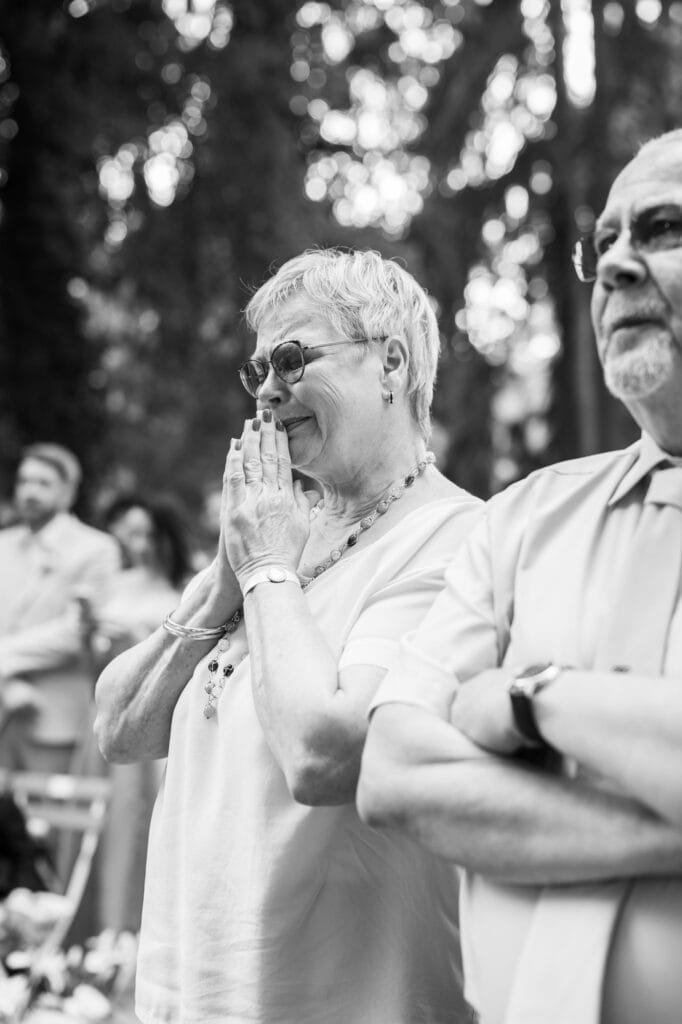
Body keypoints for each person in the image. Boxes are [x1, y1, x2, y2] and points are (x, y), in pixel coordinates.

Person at [94, 248, 482, 1024]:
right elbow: (119, 728)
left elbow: (323, 754)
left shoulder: (461, 542)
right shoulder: (276, 529)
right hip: (197, 993)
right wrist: (225, 579)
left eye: (293, 359)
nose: (268, 390)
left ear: (392, 363)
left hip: (342, 1002)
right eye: (258, 369)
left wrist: (265, 567)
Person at [358, 129, 682, 1024]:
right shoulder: (524, 518)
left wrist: (531, 696)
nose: (616, 267)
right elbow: (394, 775)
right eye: (602, 244)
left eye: (661, 228)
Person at [86, 495, 192, 933]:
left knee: (140, 820)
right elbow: (93, 665)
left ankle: (133, 928)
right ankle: (94, 926)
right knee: (98, 821)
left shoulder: (187, 588)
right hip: (102, 713)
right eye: (133, 535)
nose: (141, 545)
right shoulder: (116, 584)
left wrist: (135, 637)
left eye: (150, 535)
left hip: (153, 717)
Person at [0, 444, 120, 775]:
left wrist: (3, 656)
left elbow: (76, 632)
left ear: (68, 492)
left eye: (43, 483)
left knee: (47, 807)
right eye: (24, 481)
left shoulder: (98, 549)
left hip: (53, 717)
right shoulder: (3, 544)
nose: (30, 492)